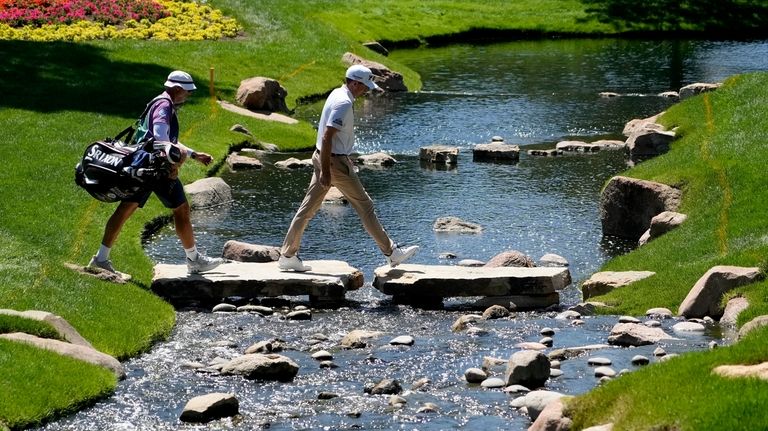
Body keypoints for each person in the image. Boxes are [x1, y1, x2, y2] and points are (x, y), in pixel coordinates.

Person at [278, 64, 419, 272]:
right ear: (354, 83)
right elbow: (327, 137)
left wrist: (343, 156)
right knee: (365, 206)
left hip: (326, 157)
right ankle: (392, 253)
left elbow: (332, 139)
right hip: (332, 162)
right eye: (363, 86)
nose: (366, 90)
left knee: (307, 209)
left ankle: (288, 255)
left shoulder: (338, 93)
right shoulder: (343, 103)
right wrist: (328, 171)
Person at [88, 70, 224, 279]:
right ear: (177, 89)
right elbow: (161, 139)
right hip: (156, 170)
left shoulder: (159, 101)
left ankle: (101, 258)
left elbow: (161, 138)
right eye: (187, 93)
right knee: (181, 209)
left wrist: (194, 154)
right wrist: (175, 161)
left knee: (125, 208)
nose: (187, 97)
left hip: (141, 166)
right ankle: (194, 260)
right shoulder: (164, 106)